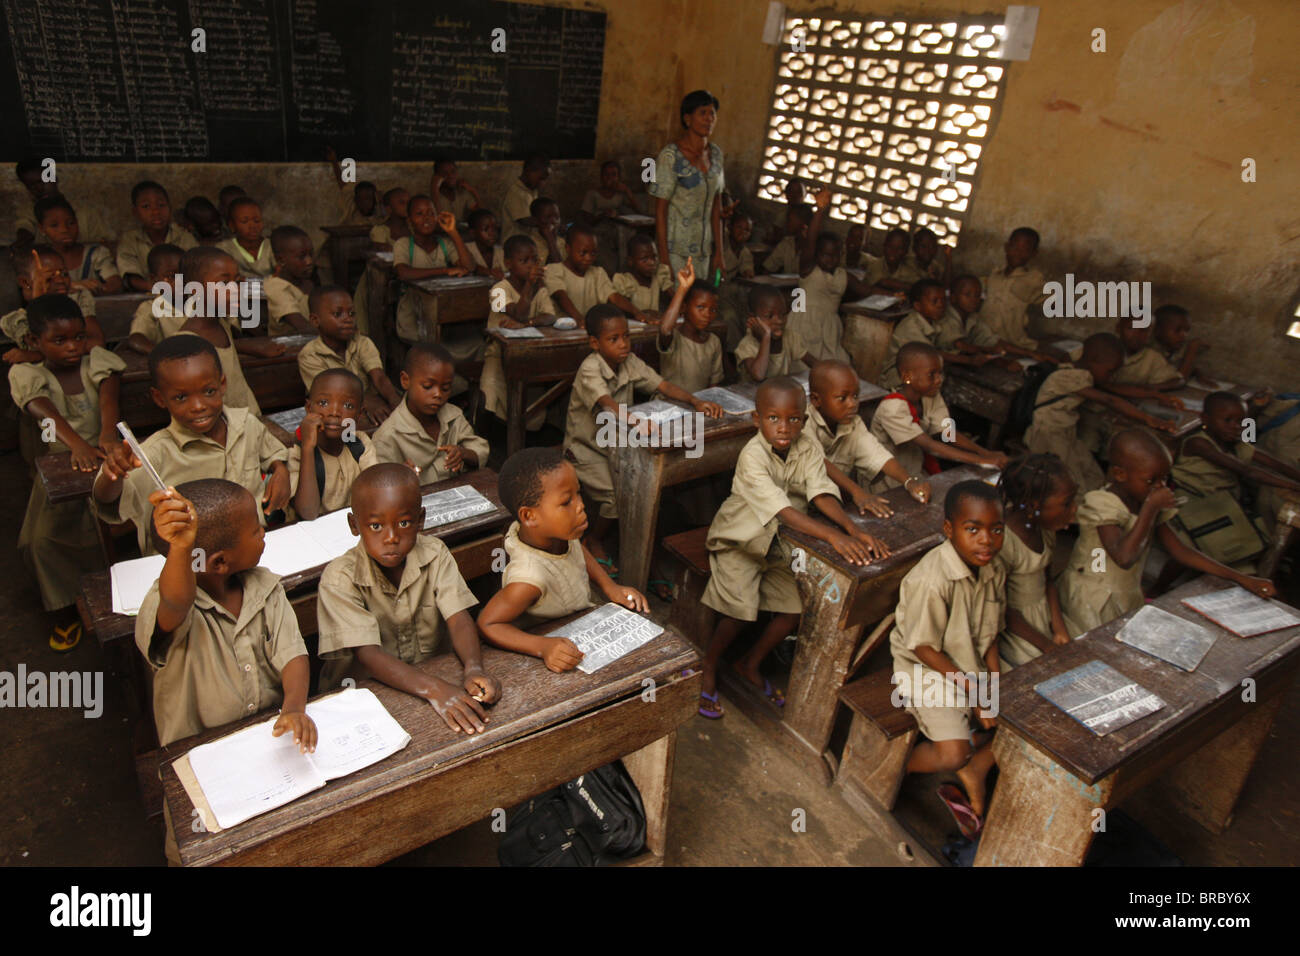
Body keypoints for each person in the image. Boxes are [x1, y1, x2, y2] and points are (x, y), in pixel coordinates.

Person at [698, 377, 887, 717]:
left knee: (793, 609)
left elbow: (820, 492)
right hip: (739, 542)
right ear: (757, 419)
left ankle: (749, 663)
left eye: (794, 419)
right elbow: (783, 511)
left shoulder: (807, 446)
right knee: (741, 607)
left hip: (780, 542)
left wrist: (851, 529)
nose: (784, 427)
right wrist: (833, 537)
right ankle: (708, 664)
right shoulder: (752, 456)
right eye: (773, 418)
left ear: (804, 418)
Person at [316, 463, 500, 730]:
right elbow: (368, 655)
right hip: (365, 696)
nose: (391, 537)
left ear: (421, 520)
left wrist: (473, 668)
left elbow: (459, 619)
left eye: (403, 523)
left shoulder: (435, 553)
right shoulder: (339, 578)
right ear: (354, 525)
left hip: (434, 679)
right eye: (376, 526)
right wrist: (435, 690)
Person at [136, 478, 314, 751]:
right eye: (256, 531)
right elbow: (175, 604)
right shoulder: (172, 603)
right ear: (220, 562)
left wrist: (293, 709)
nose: (264, 532)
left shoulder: (266, 588)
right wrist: (182, 548)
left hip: (268, 736)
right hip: (203, 751)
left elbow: (293, 654)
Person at [1057, 428, 1275, 636]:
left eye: (1164, 479)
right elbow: (1123, 557)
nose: (1160, 487)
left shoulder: (1145, 499)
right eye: (1151, 480)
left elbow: (1181, 551)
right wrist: (1151, 508)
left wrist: (1241, 578)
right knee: (1096, 651)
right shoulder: (1101, 503)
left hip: (1126, 592)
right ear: (1119, 474)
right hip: (1093, 596)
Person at [92, 336, 291, 554]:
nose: (198, 406)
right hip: (193, 564)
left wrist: (279, 469)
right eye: (180, 397)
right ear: (159, 398)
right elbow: (109, 504)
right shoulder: (154, 454)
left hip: (252, 548)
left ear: (222, 384)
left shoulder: (245, 424)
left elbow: (272, 453)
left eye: (208, 392)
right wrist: (113, 474)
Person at [563, 304, 722, 568]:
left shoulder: (629, 361)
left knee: (648, 489)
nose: (623, 344)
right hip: (586, 451)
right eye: (613, 339)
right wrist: (636, 421)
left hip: (619, 445)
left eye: (626, 336)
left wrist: (695, 400)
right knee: (618, 497)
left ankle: (644, 554)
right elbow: (606, 404)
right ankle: (594, 539)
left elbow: (663, 385)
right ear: (594, 343)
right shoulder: (590, 369)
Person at [10, 294, 125, 649]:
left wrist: (107, 434)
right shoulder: (27, 374)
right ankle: (63, 608)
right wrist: (76, 444)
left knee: (104, 530)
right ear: (33, 342)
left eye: (78, 337)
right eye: (59, 341)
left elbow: (109, 401)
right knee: (40, 543)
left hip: (107, 461)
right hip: (63, 465)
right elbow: (42, 411)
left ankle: (106, 600)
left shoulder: (97, 364)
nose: (73, 347)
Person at [890, 480, 1005, 832]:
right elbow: (923, 648)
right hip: (924, 668)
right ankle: (894, 767)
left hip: (968, 666)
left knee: (1025, 715)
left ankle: (975, 763)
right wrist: (977, 694)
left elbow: (990, 636)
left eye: (996, 529)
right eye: (973, 529)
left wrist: (994, 692)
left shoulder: (992, 568)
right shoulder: (932, 580)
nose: (986, 540)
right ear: (948, 529)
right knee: (954, 753)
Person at [477, 447, 649, 672]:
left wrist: (610, 587)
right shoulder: (528, 579)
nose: (581, 505)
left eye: (579, 493)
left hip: (578, 627)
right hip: (550, 653)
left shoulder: (558, 533)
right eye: (567, 501)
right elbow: (488, 623)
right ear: (529, 516)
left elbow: (577, 552)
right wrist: (542, 647)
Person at [1024, 332, 1172, 493]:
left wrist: (1152, 395)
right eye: (1110, 371)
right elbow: (1109, 400)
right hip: (1049, 434)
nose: (1112, 376)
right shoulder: (1068, 376)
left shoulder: (1081, 372)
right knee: (1069, 480)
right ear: (1093, 361)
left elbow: (1113, 390)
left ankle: (1095, 502)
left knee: (1093, 473)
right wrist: (1146, 418)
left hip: (1066, 433)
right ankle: (1078, 512)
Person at [870, 342, 1007, 490]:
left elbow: (948, 433)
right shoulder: (892, 408)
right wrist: (981, 460)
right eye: (932, 374)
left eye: (940, 373)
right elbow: (929, 445)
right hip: (889, 481)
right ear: (907, 376)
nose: (938, 380)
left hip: (916, 472)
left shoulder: (931, 395)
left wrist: (985, 452)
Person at [808, 360, 931, 511]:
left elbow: (877, 454)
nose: (852, 404)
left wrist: (909, 482)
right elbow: (820, 463)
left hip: (834, 502)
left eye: (855, 396)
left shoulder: (852, 422)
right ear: (815, 400)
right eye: (842, 398)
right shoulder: (802, 424)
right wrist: (858, 492)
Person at [172, 246, 281, 416]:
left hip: (250, 421)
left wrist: (255, 348)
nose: (235, 290)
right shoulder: (187, 345)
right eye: (223, 283)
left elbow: (223, 350)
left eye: (237, 282)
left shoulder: (221, 323)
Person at [995, 454, 1077, 669]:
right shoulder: (1004, 543)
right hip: (1016, 628)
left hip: (1045, 615)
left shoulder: (1044, 529)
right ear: (1033, 506)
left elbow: (1047, 580)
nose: (1074, 509)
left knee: (1079, 651)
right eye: (1066, 503)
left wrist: (1059, 628)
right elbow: (1002, 609)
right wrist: (1046, 646)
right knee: (1046, 670)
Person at [371, 343, 489, 481]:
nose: (438, 394)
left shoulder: (453, 416)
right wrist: (401, 478)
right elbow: (381, 485)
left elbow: (480, 451)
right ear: (405, 381)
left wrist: (463, 453)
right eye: (428, 386)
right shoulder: (388, 437)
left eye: (445, 388)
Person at [480, 236, 558, 426]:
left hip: (528, 356)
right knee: (491, 393)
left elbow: (550, 316)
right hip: (499, 356)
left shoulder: (540, 288)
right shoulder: (498, 290)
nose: (531, 266)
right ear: (508, 264)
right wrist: (529, 287)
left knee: (531, 406)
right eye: (524, 261)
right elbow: (519, 313)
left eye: (534, 260)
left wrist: (528, 324)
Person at [651, 90, 725, 278]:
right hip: (676, 250)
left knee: (700, 303)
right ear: (687, 119)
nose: (709, 119)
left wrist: (719, 252)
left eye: (712, 114)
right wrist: (664, 258)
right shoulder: (670, 156)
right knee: (678, 303)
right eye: (702, 113)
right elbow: (660, 211)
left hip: (704, 251)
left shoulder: (716, 155)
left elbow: (716, 206)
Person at [296, 285, 400, 418]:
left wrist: (395, 401)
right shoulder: (309, 355)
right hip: (333, 412)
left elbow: (379, 377)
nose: (348, 319)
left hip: (365, 406)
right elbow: (332, 393)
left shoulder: (362, 342)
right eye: (337, 314)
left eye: (351, 313)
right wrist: (367, 401)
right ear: (315, 320)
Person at [289, 369, 379, 520]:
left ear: (359, 414)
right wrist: (308, 448)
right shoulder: (298, 452)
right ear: (309, 408)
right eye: (324, 403)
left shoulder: (359, 444)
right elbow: (307, 512)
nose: (335, 412)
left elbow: (376, 494)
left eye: (348, 406)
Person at [656, 258, 723, 393]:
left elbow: (713, 385)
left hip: (699, 407)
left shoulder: (714, 342)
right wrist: (683, 288)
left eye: (713, 310)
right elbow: (664, 329)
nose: (707, 314)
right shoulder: (673, 338)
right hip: (670, 406)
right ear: (683, 308)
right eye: (700, 307)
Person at [116, 181, 197, 291]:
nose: (155, 212)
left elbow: (197, 270)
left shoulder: (184, 237)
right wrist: (155, 288)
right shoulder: (130, 240)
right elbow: (130, 277)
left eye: (161, 205)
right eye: (146, 206)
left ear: (170, 207)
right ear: (135, 212)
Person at [35, 196, 121, 295]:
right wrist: (72, 286)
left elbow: (116, 283)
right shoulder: (40, 260)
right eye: (54, 225)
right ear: (42, 228)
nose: (64, 229)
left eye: (71, 223)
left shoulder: (96, 254)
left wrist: (100, 288)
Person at [980, 227, 1046, 350]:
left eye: (1025, 250)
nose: (1018, 253)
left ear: (1033, 254)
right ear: (1006, 247)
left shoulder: (1033, 279)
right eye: (1014, 248)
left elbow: (1052, 305)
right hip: (984, 338)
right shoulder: (994, 275)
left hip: (1012, 341)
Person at [125, 244, 186, 354]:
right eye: (171, 276)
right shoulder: (151, 308)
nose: (180, 282)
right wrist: (165, 355)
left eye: (184, 274)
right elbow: (136, 339)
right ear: (154, 280)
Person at [735, 285, 802, 383]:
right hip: (752, 396)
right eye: (769, 316)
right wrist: (766, 337)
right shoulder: (747, 345)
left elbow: (813, 363)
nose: (779, 321)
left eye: (783, 314)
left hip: (779, 395)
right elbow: (758, 375)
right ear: (753, 318)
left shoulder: (789, 337)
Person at [264, 225, 319, 335]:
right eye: (302, 257)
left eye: (311, 254)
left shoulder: (307, 283)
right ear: (281, 260)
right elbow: (302, 326)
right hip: (286, 348)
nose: (309, 261)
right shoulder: (276, 287)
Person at [612, 234, 673, 314]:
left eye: (654, 257)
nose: (652, 263)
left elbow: (672, 299)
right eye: (645, 259)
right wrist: (642, 313)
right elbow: (621, 312)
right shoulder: (624, 282)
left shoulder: (659, 275)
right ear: (630, 261)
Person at [217, 197, 273, 278]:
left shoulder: (272, 246)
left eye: (257, 220)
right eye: (244, 221)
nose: (253, 226)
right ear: (232, 225)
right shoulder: (224, 250)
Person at [500, 155, 551, 242]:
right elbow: (524, 220)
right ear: (528, 171)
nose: (543, 183)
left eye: (545, 180)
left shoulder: (532, 190)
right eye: (541, 179)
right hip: (513, 244)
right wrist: (549, 223)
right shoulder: (516, 192)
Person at [430, 157, 481, 222]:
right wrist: (434, 188)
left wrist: (472, 190)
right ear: (437, 177)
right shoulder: (434, 197)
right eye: (445, 173)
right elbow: (440, 220)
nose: (450, 176)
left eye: (453, 171)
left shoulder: (462, 193)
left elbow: (481, 214)